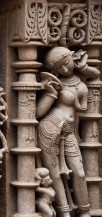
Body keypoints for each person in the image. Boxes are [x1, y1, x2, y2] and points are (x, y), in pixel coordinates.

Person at [37, 46, 100, 217]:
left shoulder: (80, 78)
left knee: (79, 171)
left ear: (72, 57)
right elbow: (39, 113)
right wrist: (51, 93)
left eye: (66, 63)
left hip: (69, 131)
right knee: (55, 173)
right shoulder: (56, 84)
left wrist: (83, 66)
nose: (64, 69)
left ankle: (85, 211)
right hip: (50, 127)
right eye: (59, 68)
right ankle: (64, 213)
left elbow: (95, 75)